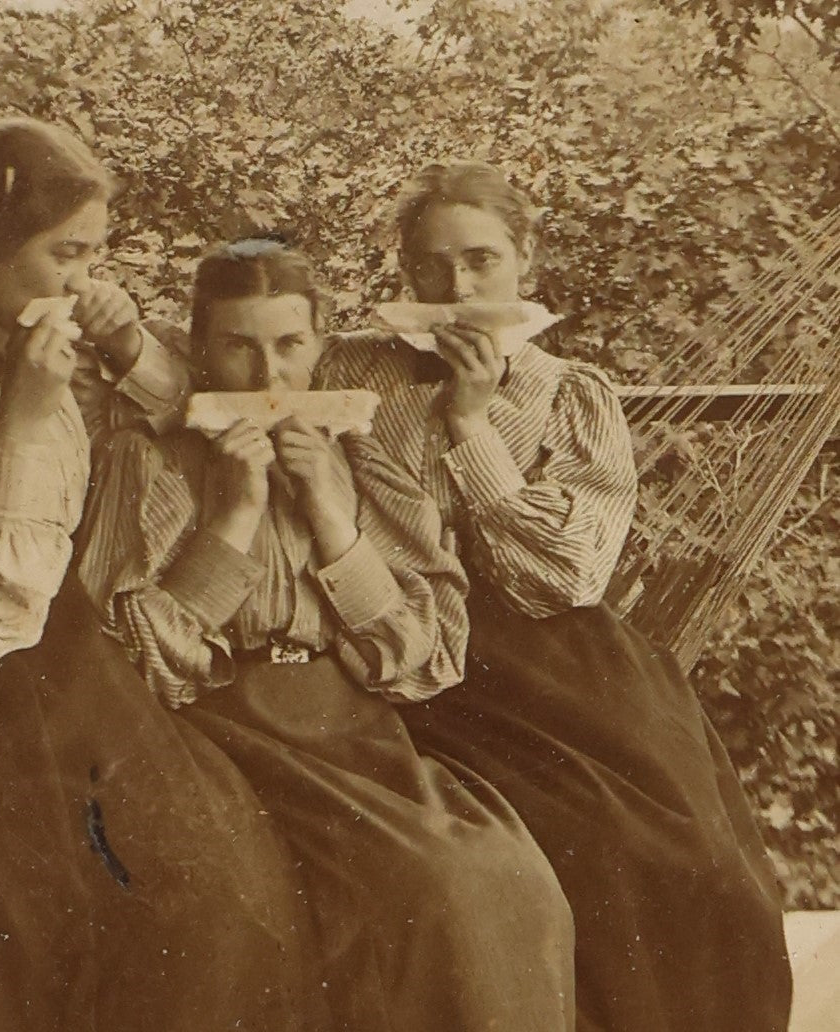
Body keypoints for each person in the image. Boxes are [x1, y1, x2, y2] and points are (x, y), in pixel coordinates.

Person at [0, 120, 327, 1032]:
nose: (85, 280)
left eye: (95, 254)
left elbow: (185, 412)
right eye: (66, 254)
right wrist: (31, 419)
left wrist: (82, 371)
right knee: (195, 902)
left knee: (236, 868)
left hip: (53, 667)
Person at [316, 160, 793, 1032]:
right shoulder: (344, 369)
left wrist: (468, 422)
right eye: (431, 265)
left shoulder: (569, 392)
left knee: (670, 857)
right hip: (391, 638)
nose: (455, 287)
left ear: (525, 261)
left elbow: (568, 574)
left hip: (546, 657)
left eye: (481, 260)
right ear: (404, 271)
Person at [78, 238, 577, 1032]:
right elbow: (132, 657)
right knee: (400, 891)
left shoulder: (362, 453)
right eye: (238, 346)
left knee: (501, 882)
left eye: (289, 346)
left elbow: (424, 653)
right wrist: (234, 516)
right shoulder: (149, 456)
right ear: (198, 348)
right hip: (212, 733)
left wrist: (330, 517)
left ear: (320, 347)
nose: (268, 378)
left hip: (353, 728)